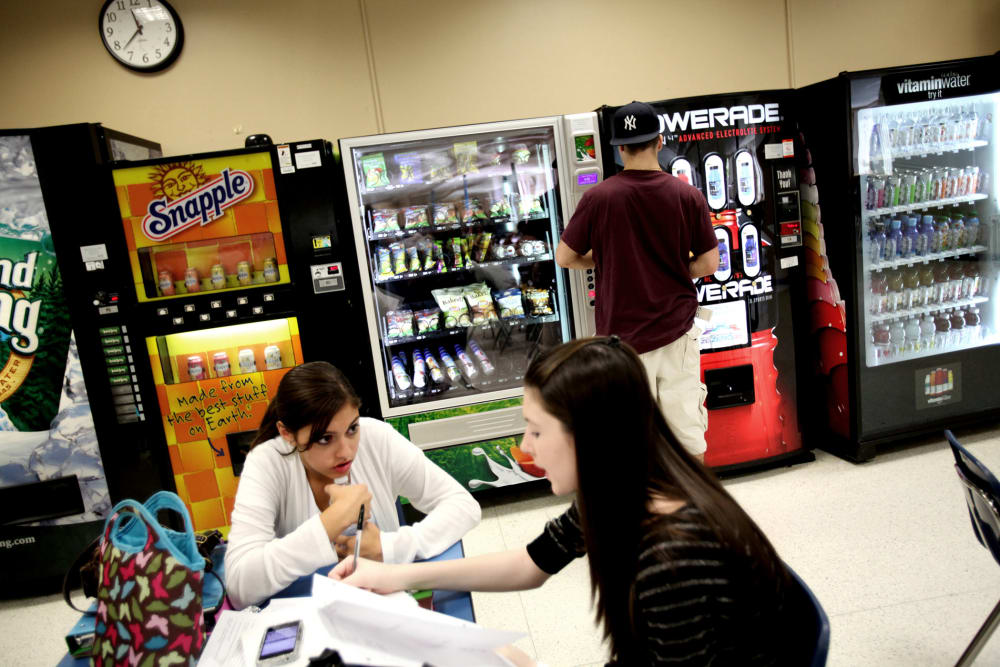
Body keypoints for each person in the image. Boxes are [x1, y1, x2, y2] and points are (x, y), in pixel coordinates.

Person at [331, 337, 791, 666]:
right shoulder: (628, 489)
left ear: (589, 436)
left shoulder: (669, 558)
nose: (525, 448)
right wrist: (393, 576)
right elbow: (532, 564)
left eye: (536, 429)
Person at [225, 361, 481, 609]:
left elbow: (463, 506)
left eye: (352, 429)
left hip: (388, 610)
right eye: (325, 439)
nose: (346, 452)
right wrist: (329, 524)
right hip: (309, 621)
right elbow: (239, 586)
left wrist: (389, 547)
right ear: (287, 434)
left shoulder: (377, 438)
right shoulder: (267, 462)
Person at [555, 101, 719, 460]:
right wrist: (678, 267)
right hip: (677, 332)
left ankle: (636, 511)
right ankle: (690, 510)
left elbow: (565, 257)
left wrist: (608, 258)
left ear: (619, 147)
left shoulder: (599, 198)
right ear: (660, 142)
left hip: (622, 341)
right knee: (686, 436)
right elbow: (709, 262)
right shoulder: (686, 195)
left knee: (629, 439)